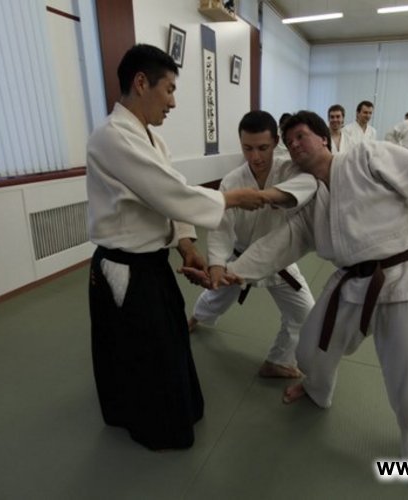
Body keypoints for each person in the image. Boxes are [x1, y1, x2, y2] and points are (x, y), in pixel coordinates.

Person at [196, 111, 408, 488]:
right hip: (351, 282)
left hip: (405, 276)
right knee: (310, 349)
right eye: (290, 141)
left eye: (301, 136)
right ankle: (316, 389)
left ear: (323, 138)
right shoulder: (311, 199)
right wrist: (236, 271)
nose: (295, 145)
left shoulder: (367, 156)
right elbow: (283, 242)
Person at [86, 44, 269, 450]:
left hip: (151, 264)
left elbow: (169, 194)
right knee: (142, 350)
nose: (172, 102)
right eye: (168, 89)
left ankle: (175, 411)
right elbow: (170, 194)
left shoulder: (152, 140)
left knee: (168, 342)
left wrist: (186, 246)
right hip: (124, 267)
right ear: (141, 83)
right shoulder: (111, 137)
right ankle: (150, 426)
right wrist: (233, 199)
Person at [188, 111, 317, 378]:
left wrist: (267, 196)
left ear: (276, 142)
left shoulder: (289, 170)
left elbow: (309, 184)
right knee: (216, 296)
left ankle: (278, 361)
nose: (255, 156)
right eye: (247, 148)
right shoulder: (232, 181)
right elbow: (222, 227)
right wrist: (216, 265)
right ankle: (196, 317)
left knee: (305, 312)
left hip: (279, 260)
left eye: (263, 148)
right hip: (240, 260)